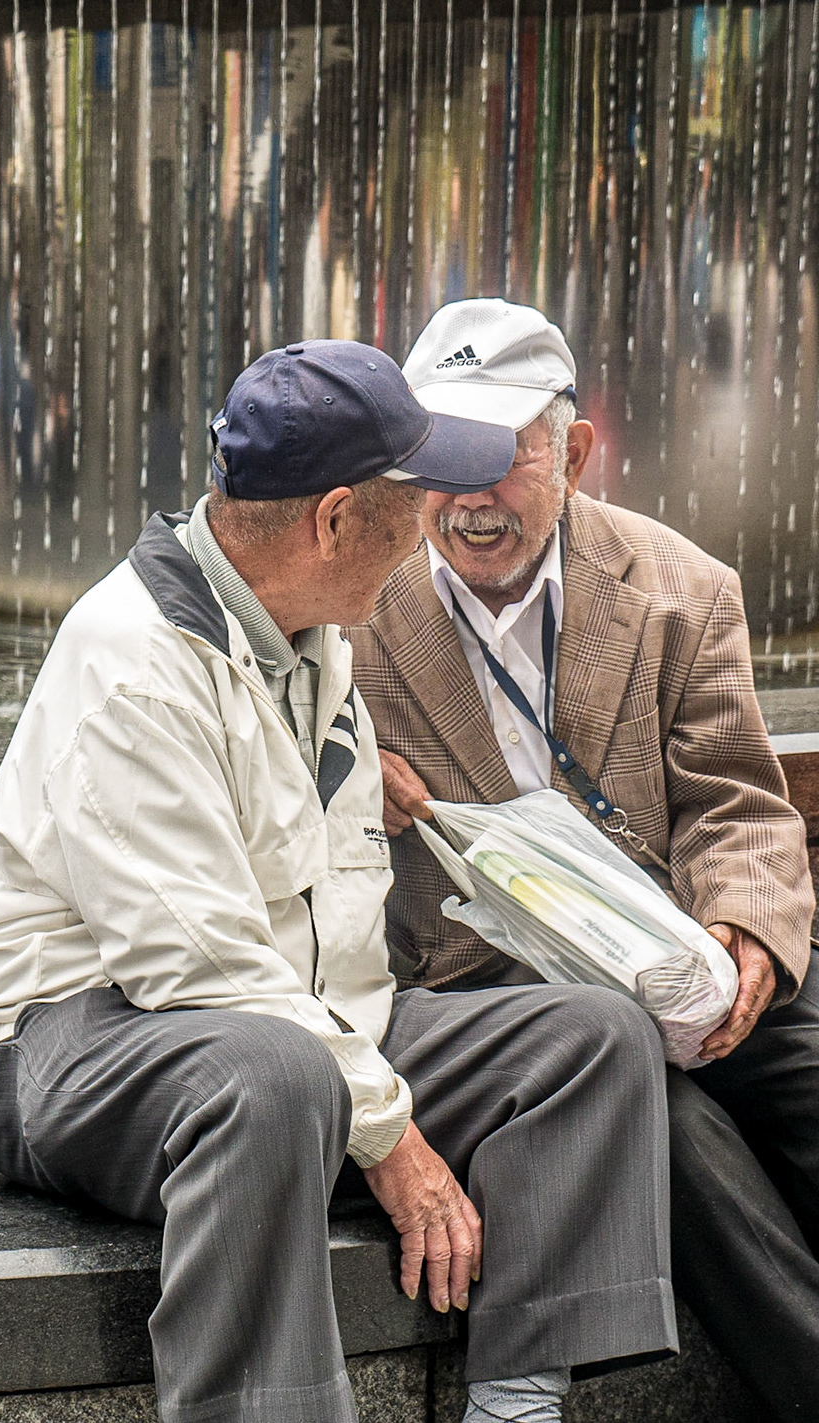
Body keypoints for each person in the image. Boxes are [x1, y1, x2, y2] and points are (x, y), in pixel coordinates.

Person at [0, 340, 679, 1423]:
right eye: (421, 489)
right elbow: (199, 970)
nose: (444, 508)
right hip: (81, 1045)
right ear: (336, 519)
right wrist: (393, 1139)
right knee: (279, 1074)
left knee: (593, 1038)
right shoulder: (131, 664)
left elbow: (325, 920)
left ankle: (518, 1403)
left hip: (306, 1026)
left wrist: (378, 1082)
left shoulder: (312, 627)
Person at [351, 298, 819, 1422]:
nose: (469, 500)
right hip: (489, 996)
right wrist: (338, 772)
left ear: (573, 450)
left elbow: (736, 803)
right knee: (670, 1129)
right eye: (439, 462)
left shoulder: (682, 586)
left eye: (502, 458)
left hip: (672, 960)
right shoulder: (345, 609)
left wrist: (745, 933)